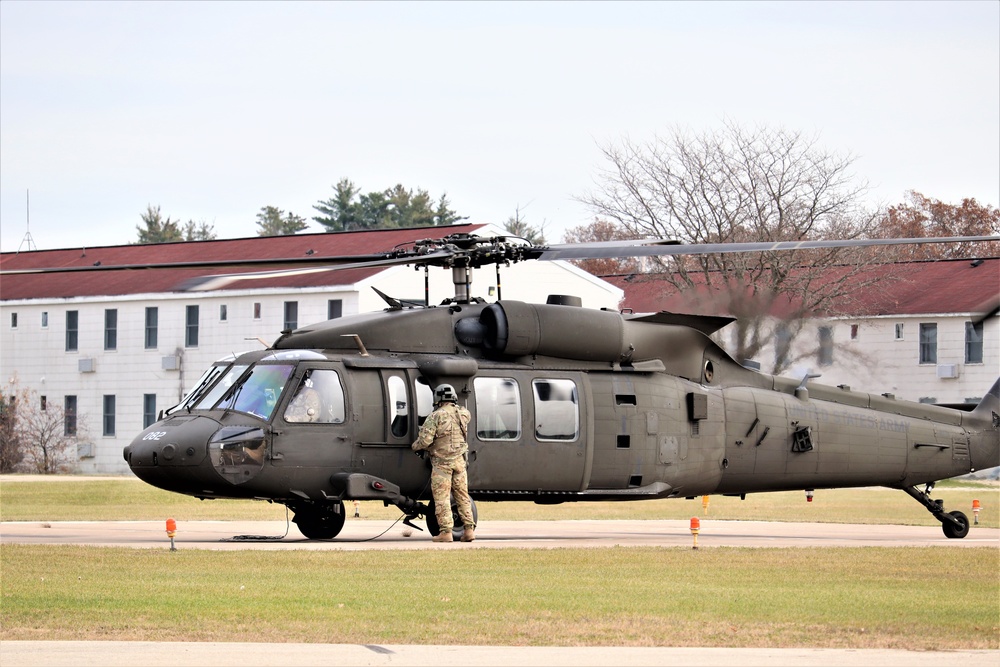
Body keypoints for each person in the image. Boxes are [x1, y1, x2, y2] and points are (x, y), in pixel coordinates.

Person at [412, 383, 476, 543]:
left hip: (442, 464)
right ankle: (469, 530)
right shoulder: (463, 414)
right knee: (462, 496)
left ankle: (446, 532)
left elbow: (425, 440)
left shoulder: (436, 416)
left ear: (437, 399)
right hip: (460, 462)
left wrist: (415, 446)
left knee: (442, 498)